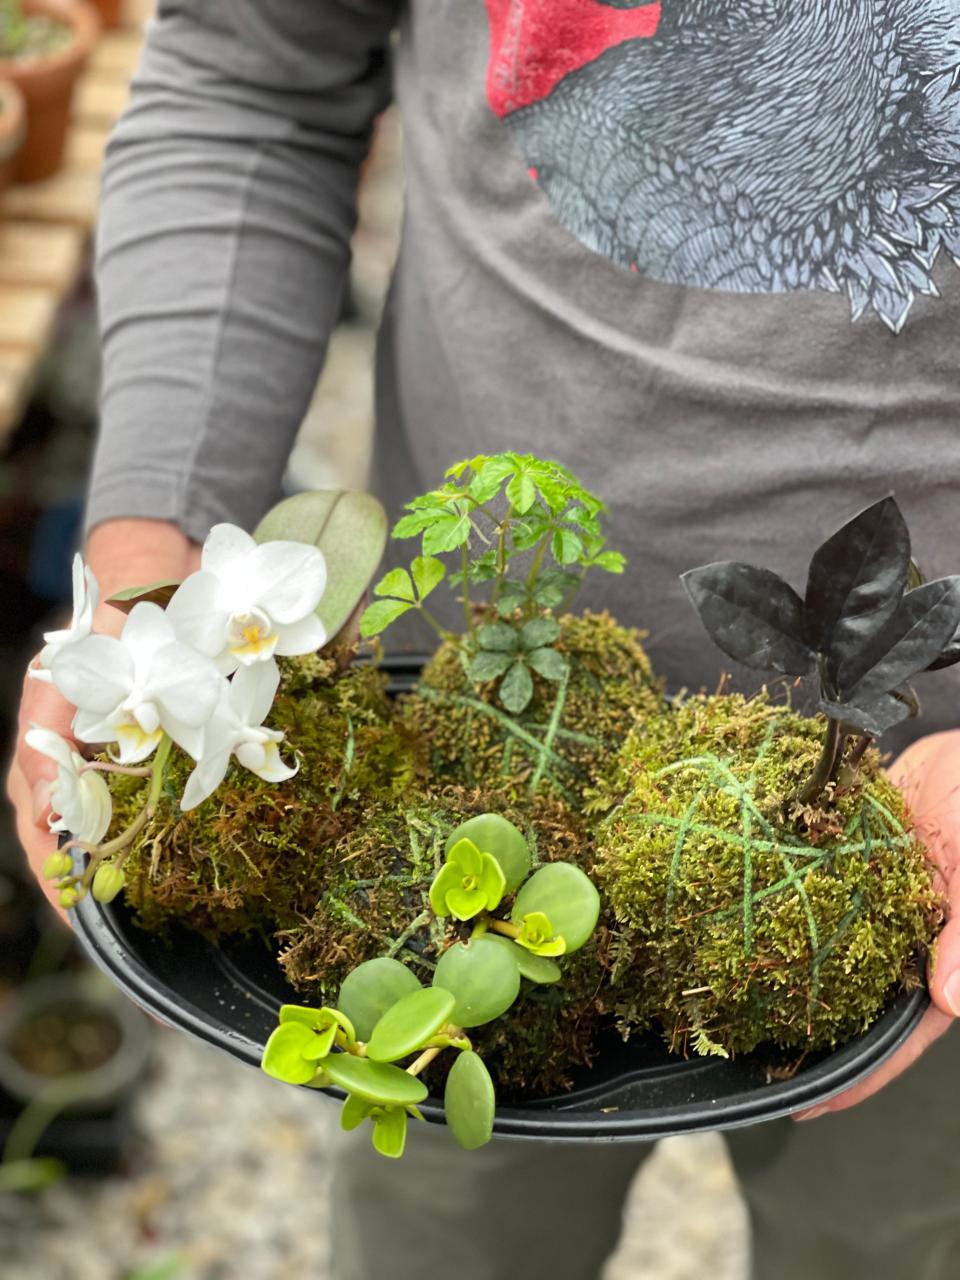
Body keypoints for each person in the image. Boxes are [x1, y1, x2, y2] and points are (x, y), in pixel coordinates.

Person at [9, 2, 960, 1276]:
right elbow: (258, 72)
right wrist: (149, 566)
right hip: (455, 766)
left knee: (891, 1236)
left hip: (920, 829)